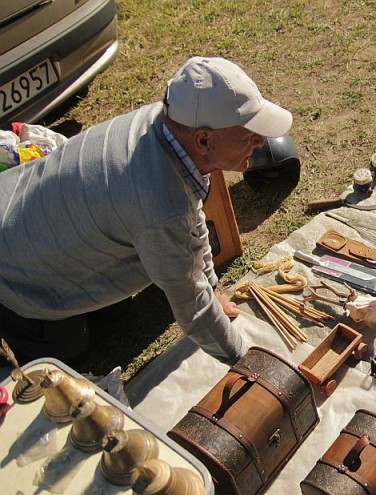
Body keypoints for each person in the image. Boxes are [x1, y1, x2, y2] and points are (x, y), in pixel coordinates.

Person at [0, 56, 293, 364]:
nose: (260, 141)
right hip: (15, 273)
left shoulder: (167, 122)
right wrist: (246, 360)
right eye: (248, 133)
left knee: (117, 309)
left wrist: (213, 286)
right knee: (65, 355)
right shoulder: (161, 205)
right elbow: (193, 307)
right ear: (204, 139)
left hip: (29, 211)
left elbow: (192, 217)